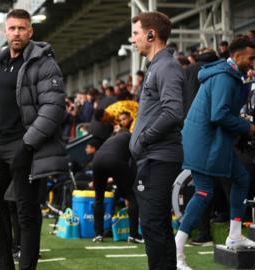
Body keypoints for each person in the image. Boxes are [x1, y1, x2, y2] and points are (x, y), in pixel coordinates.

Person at [0, 9, 67, 270]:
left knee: (26, 211)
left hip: (24, 145)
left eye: (22, 28)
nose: (17, 33)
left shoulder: (44, 63)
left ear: (31, 31)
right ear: (5, 32)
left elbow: (53, 109)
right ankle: (5, 264)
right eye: (12, 28)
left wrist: (28, 145)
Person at [174, 36, 255, 270]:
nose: (253, 62)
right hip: (206, 143)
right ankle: (177, 251)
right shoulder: (224, 77)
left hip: (209, 141)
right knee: (203, 193)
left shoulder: (228, 75)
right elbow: (219, 114)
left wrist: (244, 81)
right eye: (250, 58)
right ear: (237, 56)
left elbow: (225, 107)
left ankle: (235, 234)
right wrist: (248, 127)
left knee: (241, 179)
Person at [129, 12, 184, 270]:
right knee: (155, 224)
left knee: (153, 225)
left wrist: (143, 140)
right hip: (153, 156)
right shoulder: (156, 66)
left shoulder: (167, 66)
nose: (133, 40)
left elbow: (173, 112)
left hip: (158, 156)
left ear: (151, 35)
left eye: (136, 33)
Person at [91, 129, 141, 244]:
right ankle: (133, 235)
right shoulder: (130, 137)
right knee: (131, 196)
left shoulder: (110, 139)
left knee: (98, 199)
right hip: (115, 161)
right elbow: (133, 162)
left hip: (97, 160)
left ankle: (98, 235)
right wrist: (132, 184)